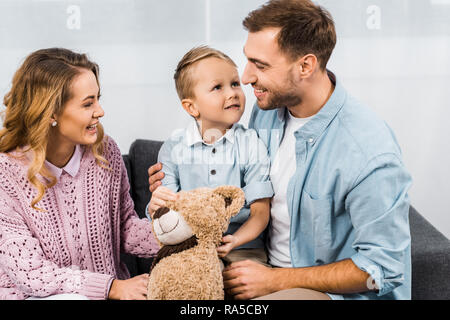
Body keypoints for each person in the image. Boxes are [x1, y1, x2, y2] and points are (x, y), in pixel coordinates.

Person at [148, 0, 412, 300]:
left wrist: (276, 280)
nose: (246, 78)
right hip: (259, 270)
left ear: (305, 65)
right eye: (248, 61)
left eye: (260, 65)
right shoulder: (269, 110)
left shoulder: (367, 151)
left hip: (327, 293)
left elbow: (382, 270)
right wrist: (175, 190)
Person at [0, 48, 159, 300]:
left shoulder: (105, 152)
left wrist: (176, 231)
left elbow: (124, 228)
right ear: (50, 112)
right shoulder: (6, 174)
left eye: (98, 98)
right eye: (88, 103)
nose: (100, 111)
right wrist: (111, 287)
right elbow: (31, 273)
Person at [147, 46, 273, 266]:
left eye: (235, 83)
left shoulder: (251, 144)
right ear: (192, 107)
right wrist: (155, 206)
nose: (232, 92)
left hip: (244, 248)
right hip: (188, 249)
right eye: (217, 87)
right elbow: (166, 213)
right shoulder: (173, 149)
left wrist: (236, 240)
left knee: (245, 283)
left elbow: (260, 213)